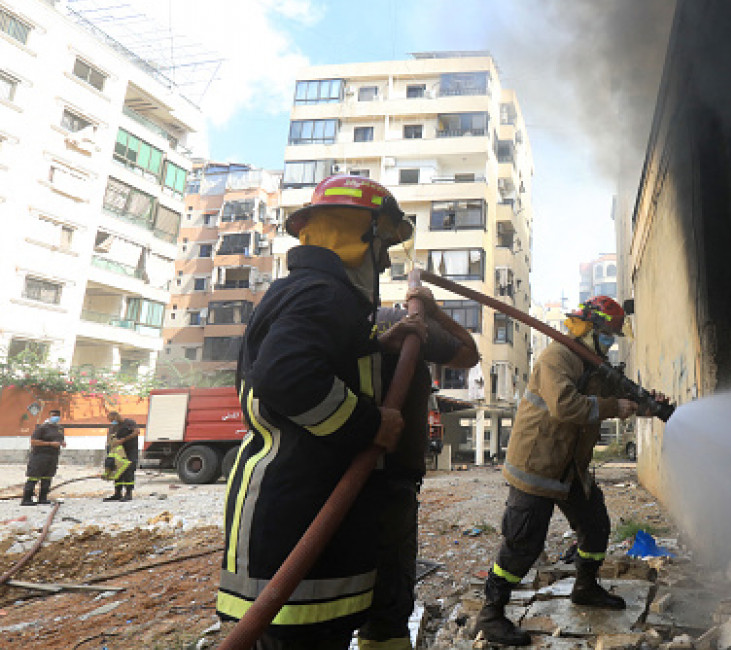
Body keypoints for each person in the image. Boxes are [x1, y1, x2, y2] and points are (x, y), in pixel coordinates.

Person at [216, 175, 412, 649]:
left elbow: (317, 365)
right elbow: (288, 378)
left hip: (303, 517)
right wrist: (372, 424)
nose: (384, 260)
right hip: (295, 523)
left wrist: (371, 348)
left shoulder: (308, 292)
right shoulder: (323, 294)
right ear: (360, 236)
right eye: (383, 244)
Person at [476, 296, 668, 645]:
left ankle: (585, 586)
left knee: (595, 525)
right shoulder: (558, 357)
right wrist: (614, 406)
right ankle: (490, 613)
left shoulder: (594, 366)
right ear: (590, 330)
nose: (610, 342)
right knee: (523, 543)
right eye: (607, 335)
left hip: (570, 469)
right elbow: (566, 405)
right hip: (537, 466)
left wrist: (647, 404)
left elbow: (620, 395)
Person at [356, 289, 479, 650]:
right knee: (388, 594)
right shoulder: (399, 321)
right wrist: (434, 311)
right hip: (391, 476)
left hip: (336, 473)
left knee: (336, 588)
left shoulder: (329, 318)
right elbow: (468, 352)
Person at [21, 409, 65, 506]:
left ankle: (43, 498)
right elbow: (33, 441)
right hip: (40, 456)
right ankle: (27, 498)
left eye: (58, 415)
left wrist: (62, 443)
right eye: (54, 415)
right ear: (49, 416)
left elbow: (59, 439)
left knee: (47, 477)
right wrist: (49, 444)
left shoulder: (59, 428)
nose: (56, 417)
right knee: (34, 477)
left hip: (52, 456)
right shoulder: (42, 428)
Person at [103, 411, 139, 502]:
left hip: (130, 451)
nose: (112, 422)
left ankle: (128, 493)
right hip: (118, 453)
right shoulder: (113, 427)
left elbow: (136, 432)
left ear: (116, 417)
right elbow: (109, 438)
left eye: (112, 420)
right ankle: (117, 493)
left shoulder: (129, 423)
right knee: (118, 471)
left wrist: (123, 440)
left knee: (128, 470)